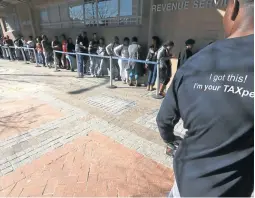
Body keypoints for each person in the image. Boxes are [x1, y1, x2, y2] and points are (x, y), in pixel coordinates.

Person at [156, 0, 254, 197]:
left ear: (233, 7)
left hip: (185, 185)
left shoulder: (195, 63)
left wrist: (172, 140)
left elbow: (164, 120)